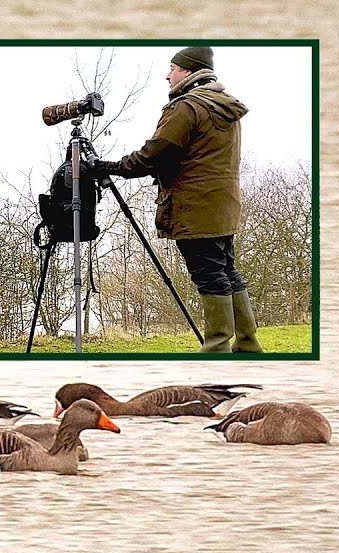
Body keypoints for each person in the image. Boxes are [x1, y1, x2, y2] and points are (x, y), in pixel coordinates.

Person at [94, 46, 260, 353]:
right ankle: (247, 343)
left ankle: (217, 347)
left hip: (194, 206)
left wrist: (113, 167)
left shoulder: (187, 107)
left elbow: (156, 153)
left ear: (188, 70)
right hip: (223, 205)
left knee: (209, 274)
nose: (167, 75)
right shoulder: (224, 107)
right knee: (225, 269)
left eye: (172, 68)